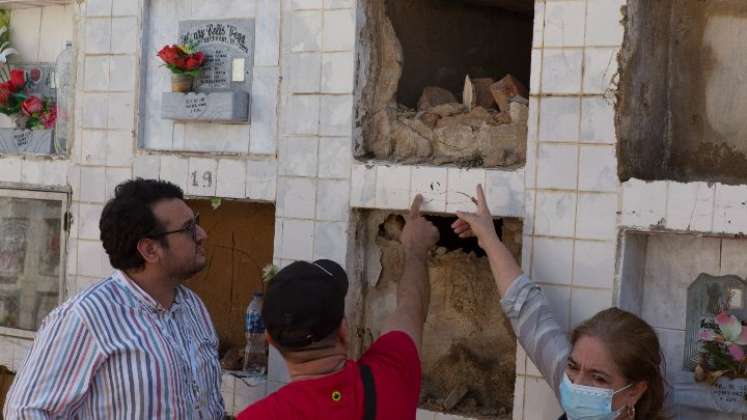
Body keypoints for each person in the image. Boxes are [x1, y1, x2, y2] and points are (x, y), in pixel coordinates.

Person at [3, 179, 224, 419]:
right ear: (150, 250)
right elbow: (24, 411)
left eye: (197, 223)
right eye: (189, 228)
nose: (202, 235)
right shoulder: (86, 317)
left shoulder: (193, 306)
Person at [452, 185, 668, 420]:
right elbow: (525, 309)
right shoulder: (569, 382)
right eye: (573, 367)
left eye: (599, 378)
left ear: (635, 390)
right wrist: (488, 238)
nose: (576, 386)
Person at [237, 194, 439, 419]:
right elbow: (411, 307)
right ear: (344, 331)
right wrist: (415, 250)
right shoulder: (391, 375)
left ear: (270, 341)